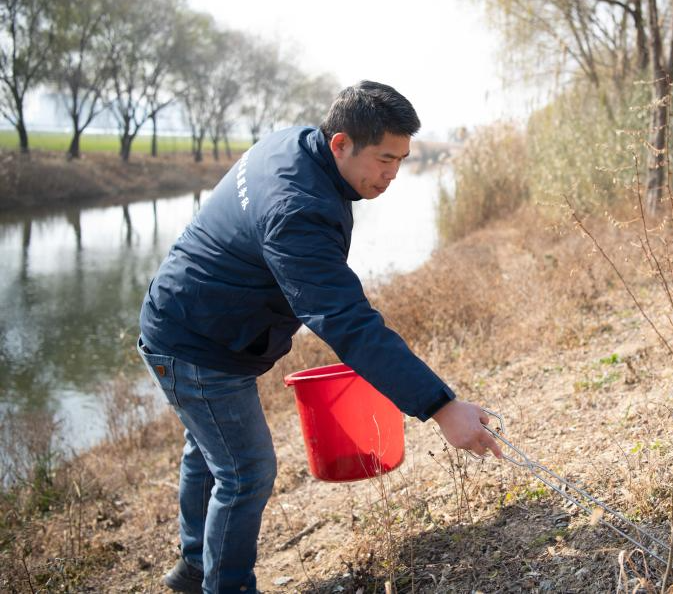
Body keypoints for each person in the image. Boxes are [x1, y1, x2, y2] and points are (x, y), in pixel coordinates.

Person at [137, 81, 502, 594]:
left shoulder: (297, 145)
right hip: (194, 342)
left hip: (192, 318)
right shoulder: (299, 209)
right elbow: (346, 320)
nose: (392, 174)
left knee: (208, 449)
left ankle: (195, 568)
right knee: (245, 471)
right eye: (383, 159)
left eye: (401, 160)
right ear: (340, 144)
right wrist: (441, 407)